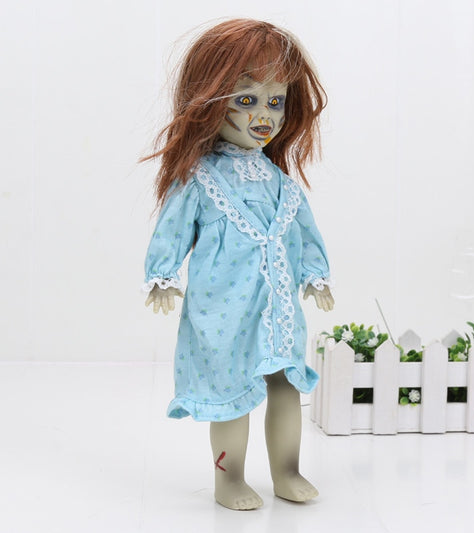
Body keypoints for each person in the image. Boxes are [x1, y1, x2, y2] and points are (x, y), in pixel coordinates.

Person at [142, 19, 334, 510]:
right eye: (247, 99)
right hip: (223, 310)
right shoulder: (201, 179)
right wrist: (162, 275)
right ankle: (229, 480)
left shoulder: (281, 183)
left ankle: (287, 471)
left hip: (278, 310)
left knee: (286, 385)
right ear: (209, 101)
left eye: (275, 101)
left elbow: (303, 232)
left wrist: (316, 275)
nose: (264, 115)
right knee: (231, 394)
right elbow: (172, 228)